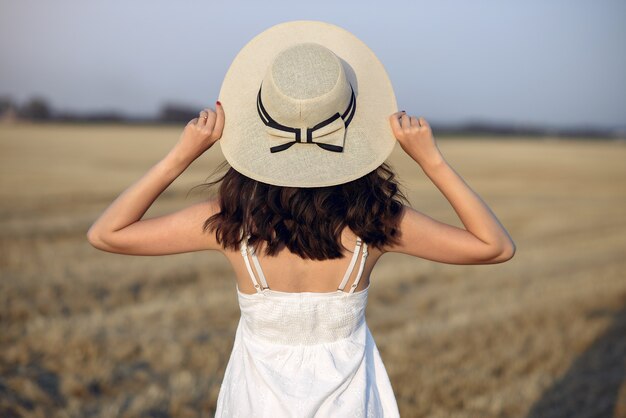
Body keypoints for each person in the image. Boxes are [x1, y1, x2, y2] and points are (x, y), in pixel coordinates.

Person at [87, 20, 515, 417]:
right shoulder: (376, 225)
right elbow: (495, 247)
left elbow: (107, 234)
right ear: (351, 126)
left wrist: (180, 155)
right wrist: (432, 160)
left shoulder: (231, 223)